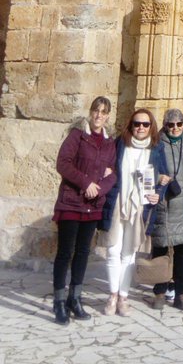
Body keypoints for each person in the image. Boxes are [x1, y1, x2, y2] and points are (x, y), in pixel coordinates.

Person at [51, 96, 117, 325]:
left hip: (92, 206)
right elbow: (63, 163)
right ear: (91, 113)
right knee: (65, 253)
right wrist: (86, 183)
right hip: (71, 203)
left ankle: (74, 299)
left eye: (103, 112)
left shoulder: (109, 143)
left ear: (108, 116)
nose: (99, 115)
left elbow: (113, 174)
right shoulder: (77, 136)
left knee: (82, 253)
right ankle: (58, 301)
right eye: (96, 111)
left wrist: (98, 190)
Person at [101, 108, 169, 316]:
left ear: (151, 127)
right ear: (131, 125)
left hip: (140, 205)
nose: (141, 128)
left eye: (145, 124)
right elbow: (107, 166)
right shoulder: (120, 144)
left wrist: (159, 193)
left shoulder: (156, 148)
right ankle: (112, 295)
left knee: (129, 253)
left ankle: (123, 296)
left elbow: (165, 176)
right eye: (137, 124)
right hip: (118, 201)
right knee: (113, 249)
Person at [150, 108, 183, 311]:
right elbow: (148, 169)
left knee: (182, 252)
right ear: (165, 125)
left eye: (179, 124)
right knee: (161, 250)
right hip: (166, 204)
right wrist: (158, 180)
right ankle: (160, 292)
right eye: (171, 124)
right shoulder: (156, 144)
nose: (175, 128)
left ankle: (181, 293)